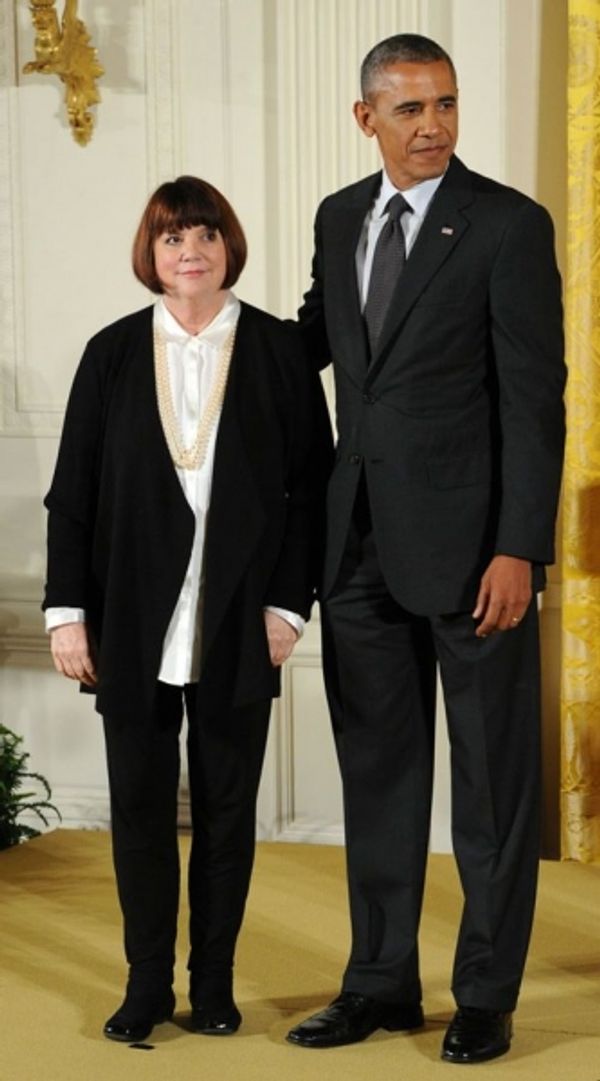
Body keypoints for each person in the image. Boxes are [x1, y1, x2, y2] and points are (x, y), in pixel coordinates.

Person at [285, 33, 565, 1064]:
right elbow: (316, 337)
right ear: (367, 118)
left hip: (474, 556)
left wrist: (517, 549)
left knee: (492, 788)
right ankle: (379, 982)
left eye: (445, 103)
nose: (434, 124)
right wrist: (196, 330)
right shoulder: (336, 218)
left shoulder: (505, 225)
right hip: (356, 546)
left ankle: (486, 994)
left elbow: (536, 404)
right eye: (409, 109)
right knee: (380, 777)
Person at [43, 176, 332, 1044]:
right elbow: (74, 495)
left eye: (205, 234)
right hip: (130, 618)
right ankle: (145, 985)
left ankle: (213, 981)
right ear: (152, 254)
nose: (190, 251)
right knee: (137, 806)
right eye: (173, 239)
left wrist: (290, 606)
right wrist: (66, 613)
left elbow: (313, 491)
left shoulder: (280, 352)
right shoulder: (112, 352)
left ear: (228, 246)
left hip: (243, 617)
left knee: (226, 808)